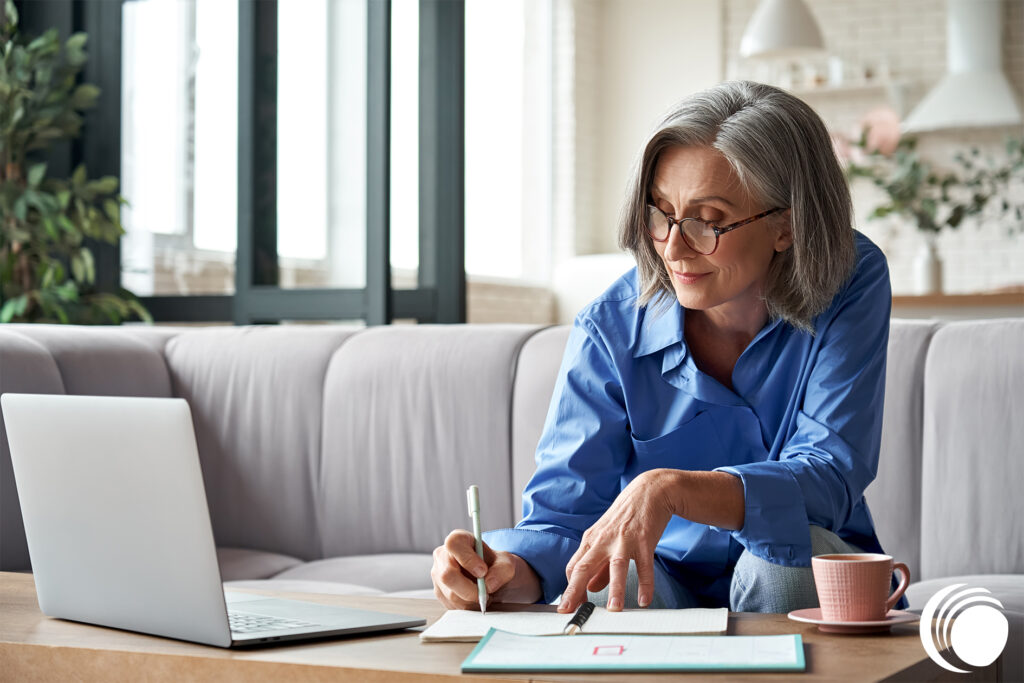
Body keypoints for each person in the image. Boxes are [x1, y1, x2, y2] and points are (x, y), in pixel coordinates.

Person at [431, 80, 906, 615]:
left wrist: (672, 488)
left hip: (798, 569)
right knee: (606, 575)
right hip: (665, 578)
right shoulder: (609, 327)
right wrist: (504, 573)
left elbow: (829, 473)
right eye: (660, 212)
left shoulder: (850, 278)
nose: (673, 248)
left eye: (709, 220)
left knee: (780, 556)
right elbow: (563, 521)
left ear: (786, 226)